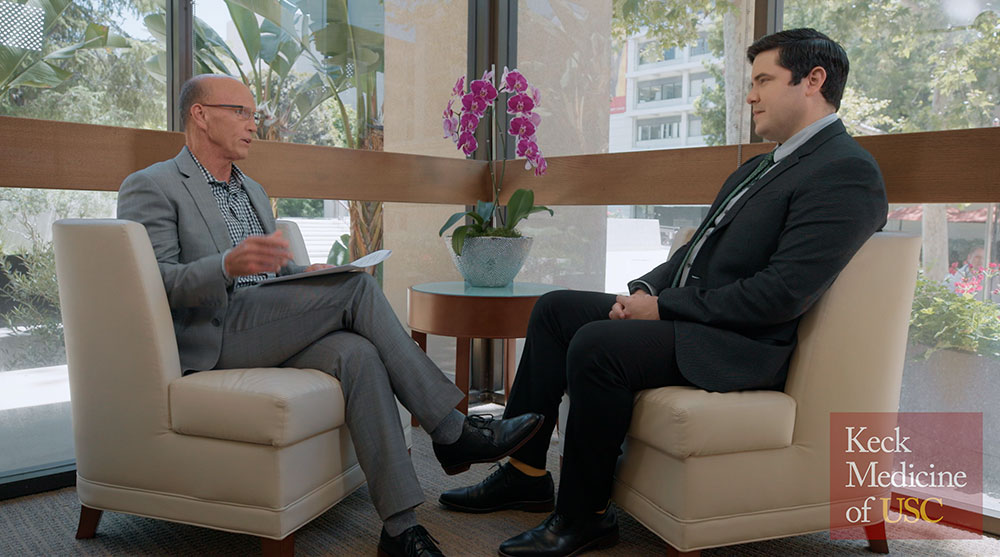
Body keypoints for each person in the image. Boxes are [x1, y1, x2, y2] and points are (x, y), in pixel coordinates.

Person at [439, 28, 888, 557]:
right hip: (698, 321)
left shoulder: (846, 172)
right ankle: (526, 473)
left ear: (814, 81)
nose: (751, 95)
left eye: (764, 80)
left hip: (743, 346)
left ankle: (586, 515)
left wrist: (664, 308)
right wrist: (646, 291)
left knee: (597, 344)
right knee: (557, 310)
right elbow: (694, 255)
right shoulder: (762, 166)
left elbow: (779, 295)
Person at [116, 74, 543, 557]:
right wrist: (224, 265)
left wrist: (305, 273)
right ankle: (452, 431)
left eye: (254, 115)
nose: (253, 124)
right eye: (241, 112)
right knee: (356, 287)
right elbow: (157, 286)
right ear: (200, 114)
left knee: (358, 353)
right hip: (215, 333)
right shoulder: (153, 186)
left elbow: (269, 271)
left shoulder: (252, 189)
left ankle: (401, 530)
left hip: (267, 323)